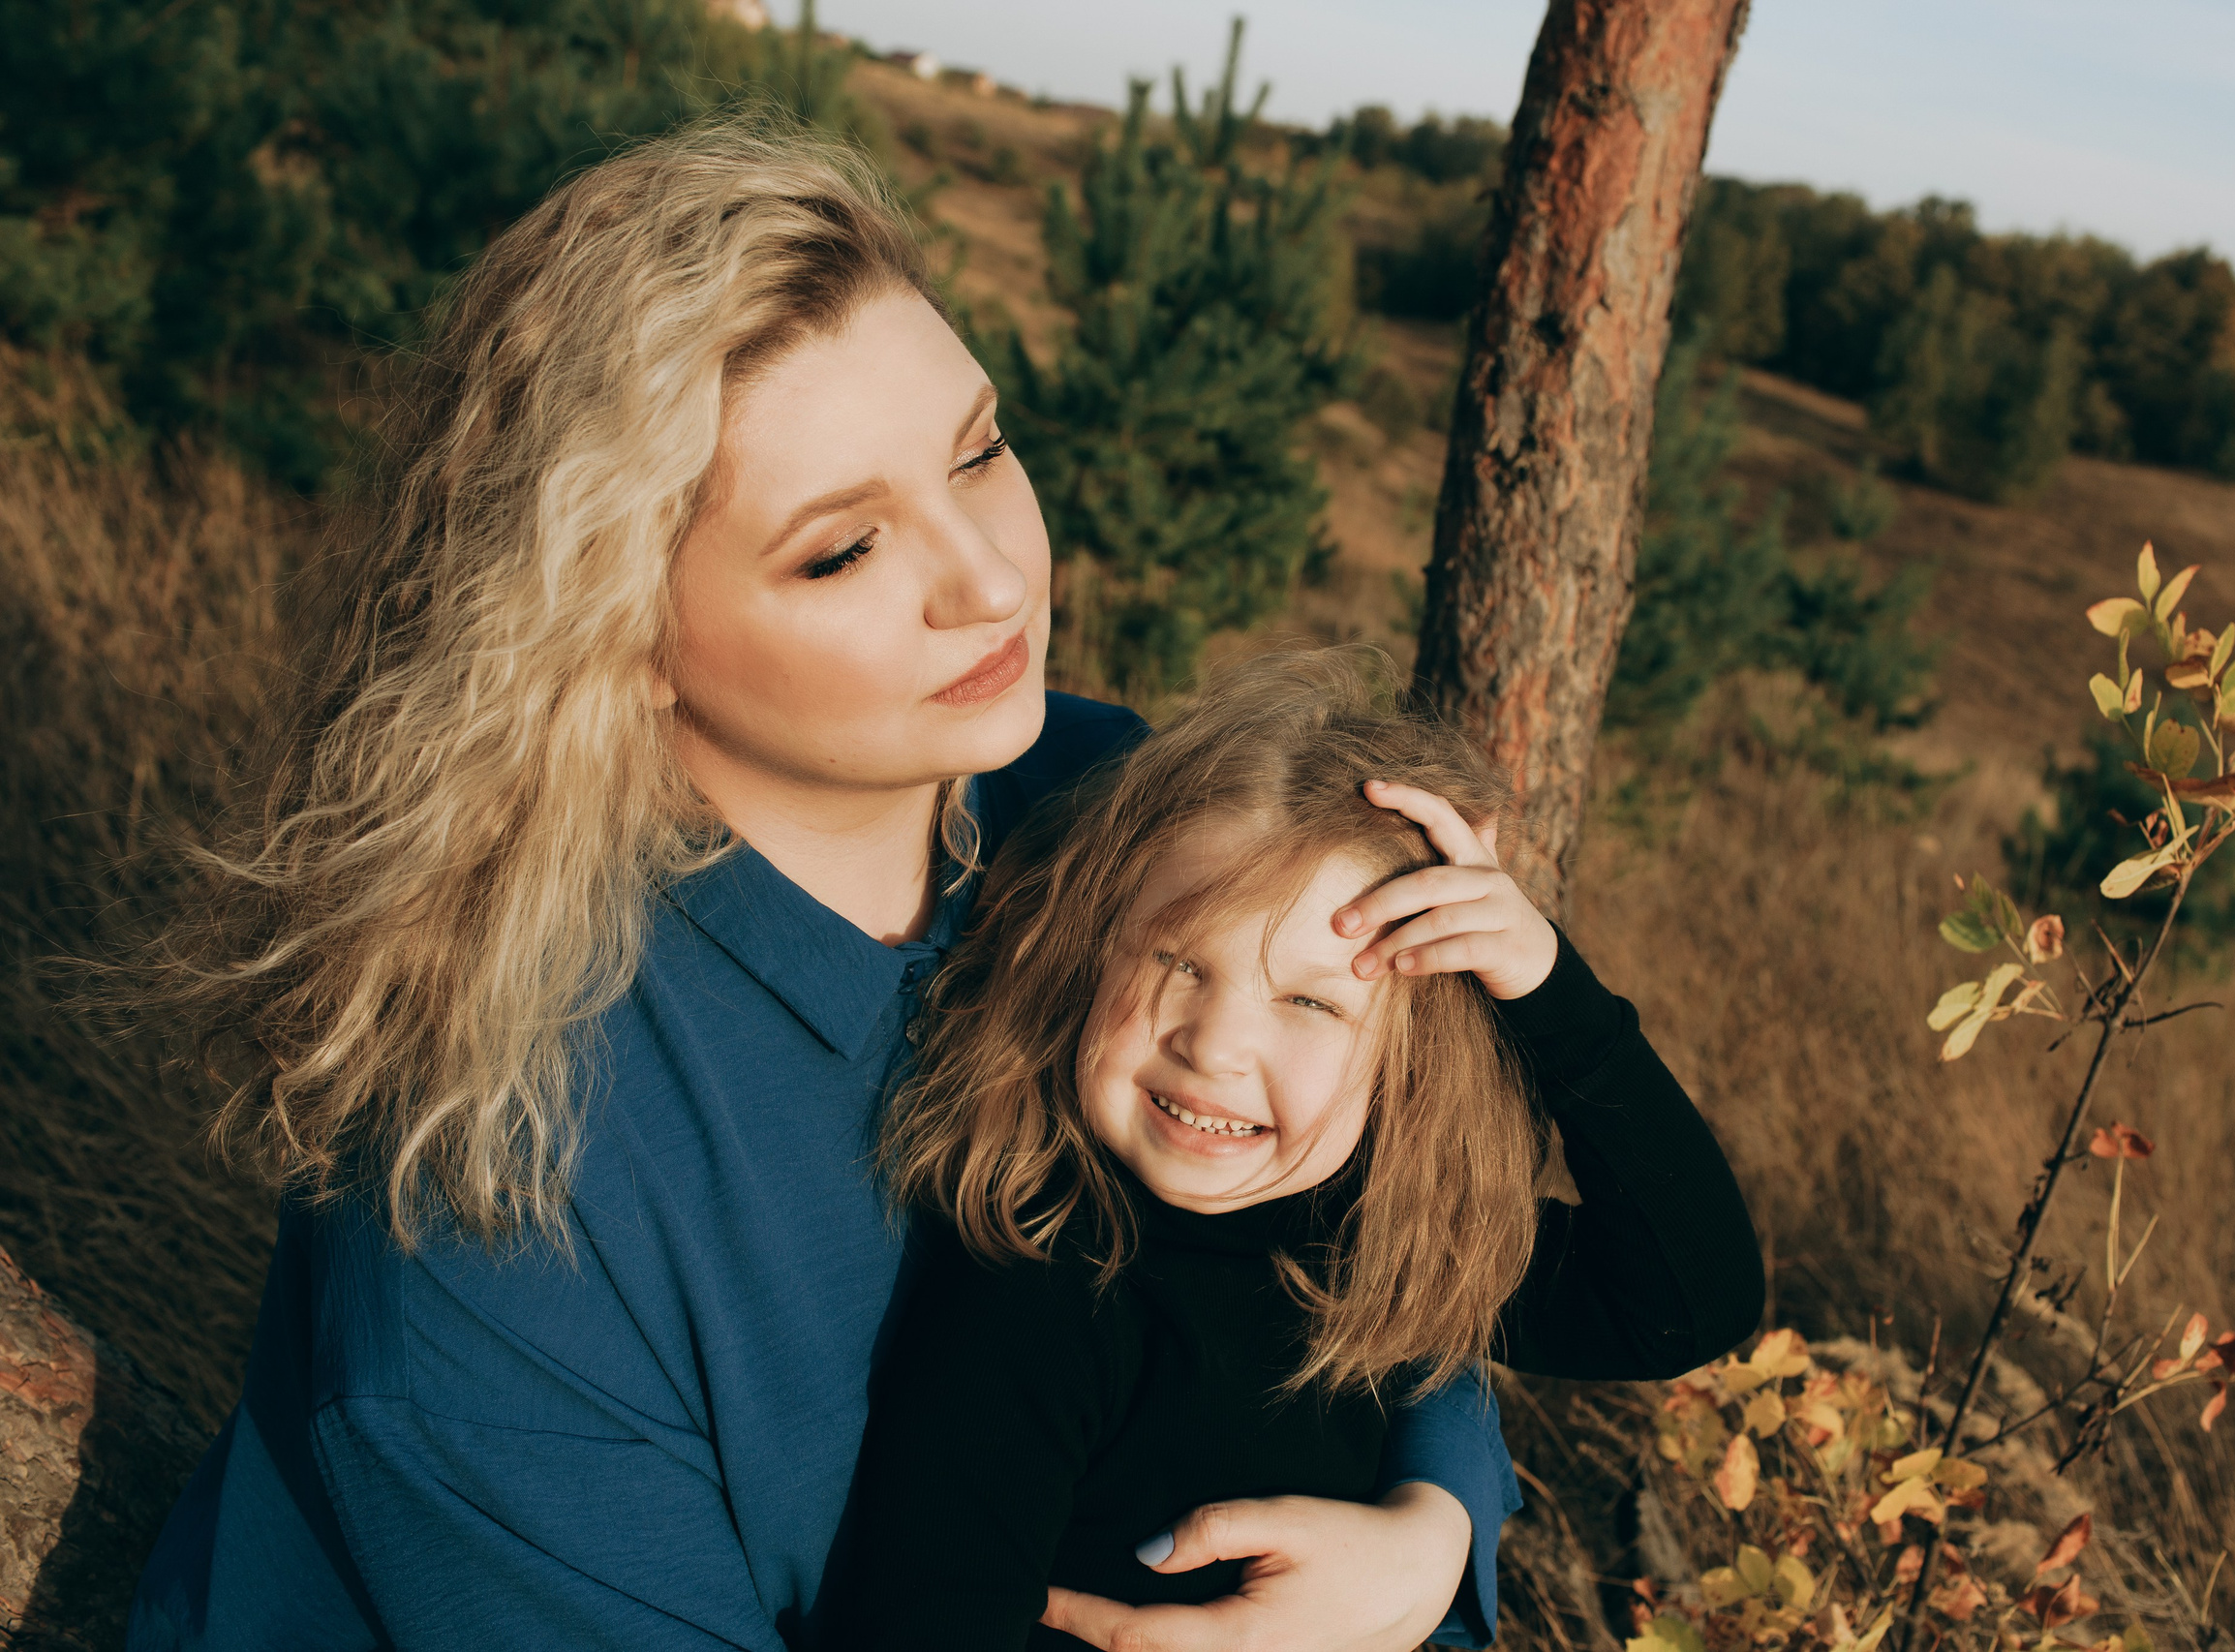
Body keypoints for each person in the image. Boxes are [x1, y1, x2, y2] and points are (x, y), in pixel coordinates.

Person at [127, 120, 1523, 1651]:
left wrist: (1431, 1529)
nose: (991, 578)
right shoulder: (499, 1197)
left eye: (978, 449)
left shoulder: (1114, 812)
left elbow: (1372, 1195)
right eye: (843, 550)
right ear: (616, 638)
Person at [842, 652, 1766, 1650]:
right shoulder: (1034, 1298)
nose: (1216, 1044)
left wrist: (1544, 985)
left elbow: (1686, 1304)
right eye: (1178, 959)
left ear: (1405, 1066)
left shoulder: (1373, 1238)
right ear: (1083, 954)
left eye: (1310, 1001)